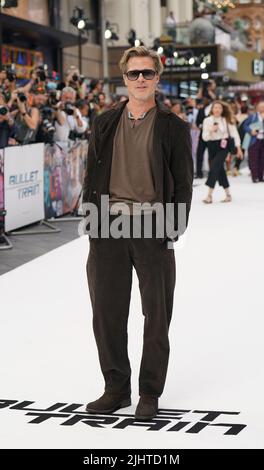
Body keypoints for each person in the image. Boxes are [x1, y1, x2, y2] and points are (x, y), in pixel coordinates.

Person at [82, 46, 193, 420]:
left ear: (158, 78)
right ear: (124, 78)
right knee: (107, 314)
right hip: (108, 226)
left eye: (147, 73)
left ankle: (149, 393)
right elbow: (91, 173)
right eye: (134, 74)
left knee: (157, 316)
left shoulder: (173, 126)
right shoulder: (104, 122)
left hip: (153, 226)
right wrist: (93, 221)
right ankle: (115, 388)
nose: (141, 79)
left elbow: (183, 182)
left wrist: (173, 228)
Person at [202, 100, 243, 204]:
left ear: (222, 110)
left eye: (219, 108)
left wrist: (238, 148)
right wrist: (211, 130)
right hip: (211, 146)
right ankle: (228, 194)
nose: (217, 110)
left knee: (214, 168)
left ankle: (209, 195)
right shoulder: (207, 120)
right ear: (212, 109)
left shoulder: (226, 120)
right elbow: (204, 137)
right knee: (220, 171)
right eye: (215, 107)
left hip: (223, 147)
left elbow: (234, 134)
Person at [243, 100, 264, 183]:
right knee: (253, 159)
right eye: (261, 106)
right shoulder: (252, 117)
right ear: (257, 108)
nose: (262, 108)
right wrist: (251, 131)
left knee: (262, 159)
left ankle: (260, 176)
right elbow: (245, 126)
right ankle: (254, 177)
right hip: (254, 140)